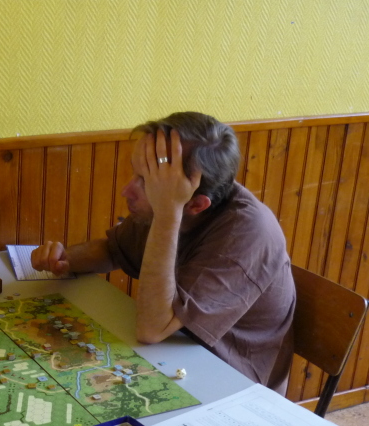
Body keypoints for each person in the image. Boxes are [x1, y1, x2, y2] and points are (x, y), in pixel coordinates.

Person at [31, 112, 295, 394]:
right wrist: (65, 259)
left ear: (195, 205)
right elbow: (113, 249)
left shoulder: (244, 232)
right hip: (175, 359)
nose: (126, 191)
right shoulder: (173, 197)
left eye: (145, 182)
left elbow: (152, 329)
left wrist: (167, 213)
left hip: (233, 386)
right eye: (136, 174)